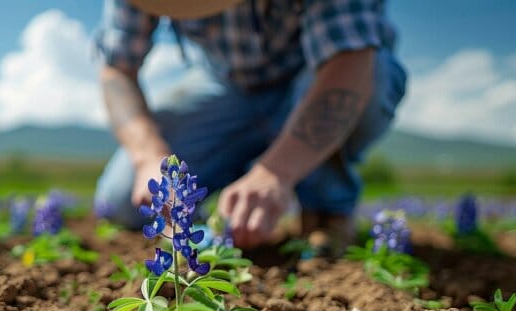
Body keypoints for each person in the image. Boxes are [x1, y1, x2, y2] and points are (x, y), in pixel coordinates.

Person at [94, 0, 407, 252]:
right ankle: (204, 227)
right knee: (124, 200)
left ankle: (326, 210)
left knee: (373, 74)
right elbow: (117, 69)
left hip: (315, 76)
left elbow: (350, 58)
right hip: (225, 85)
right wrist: (148, 156)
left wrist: (276, 173)